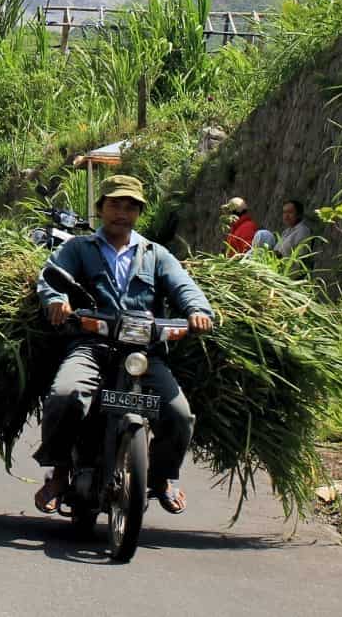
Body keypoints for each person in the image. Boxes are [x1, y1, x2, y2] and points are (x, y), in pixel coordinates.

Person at [33, 174, 215, 517]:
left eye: (130, 206)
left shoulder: (155, 254)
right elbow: (50, 276)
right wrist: (57, 300)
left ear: (139, 213)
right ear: (101, 208)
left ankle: (159, 478)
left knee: (179, 415)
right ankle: (58, 473)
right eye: (115, 204)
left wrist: (197, 311)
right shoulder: (78, 249)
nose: (122, 212)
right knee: (63, 397)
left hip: (142, 354)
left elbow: (183, 286)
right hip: (92, 346)